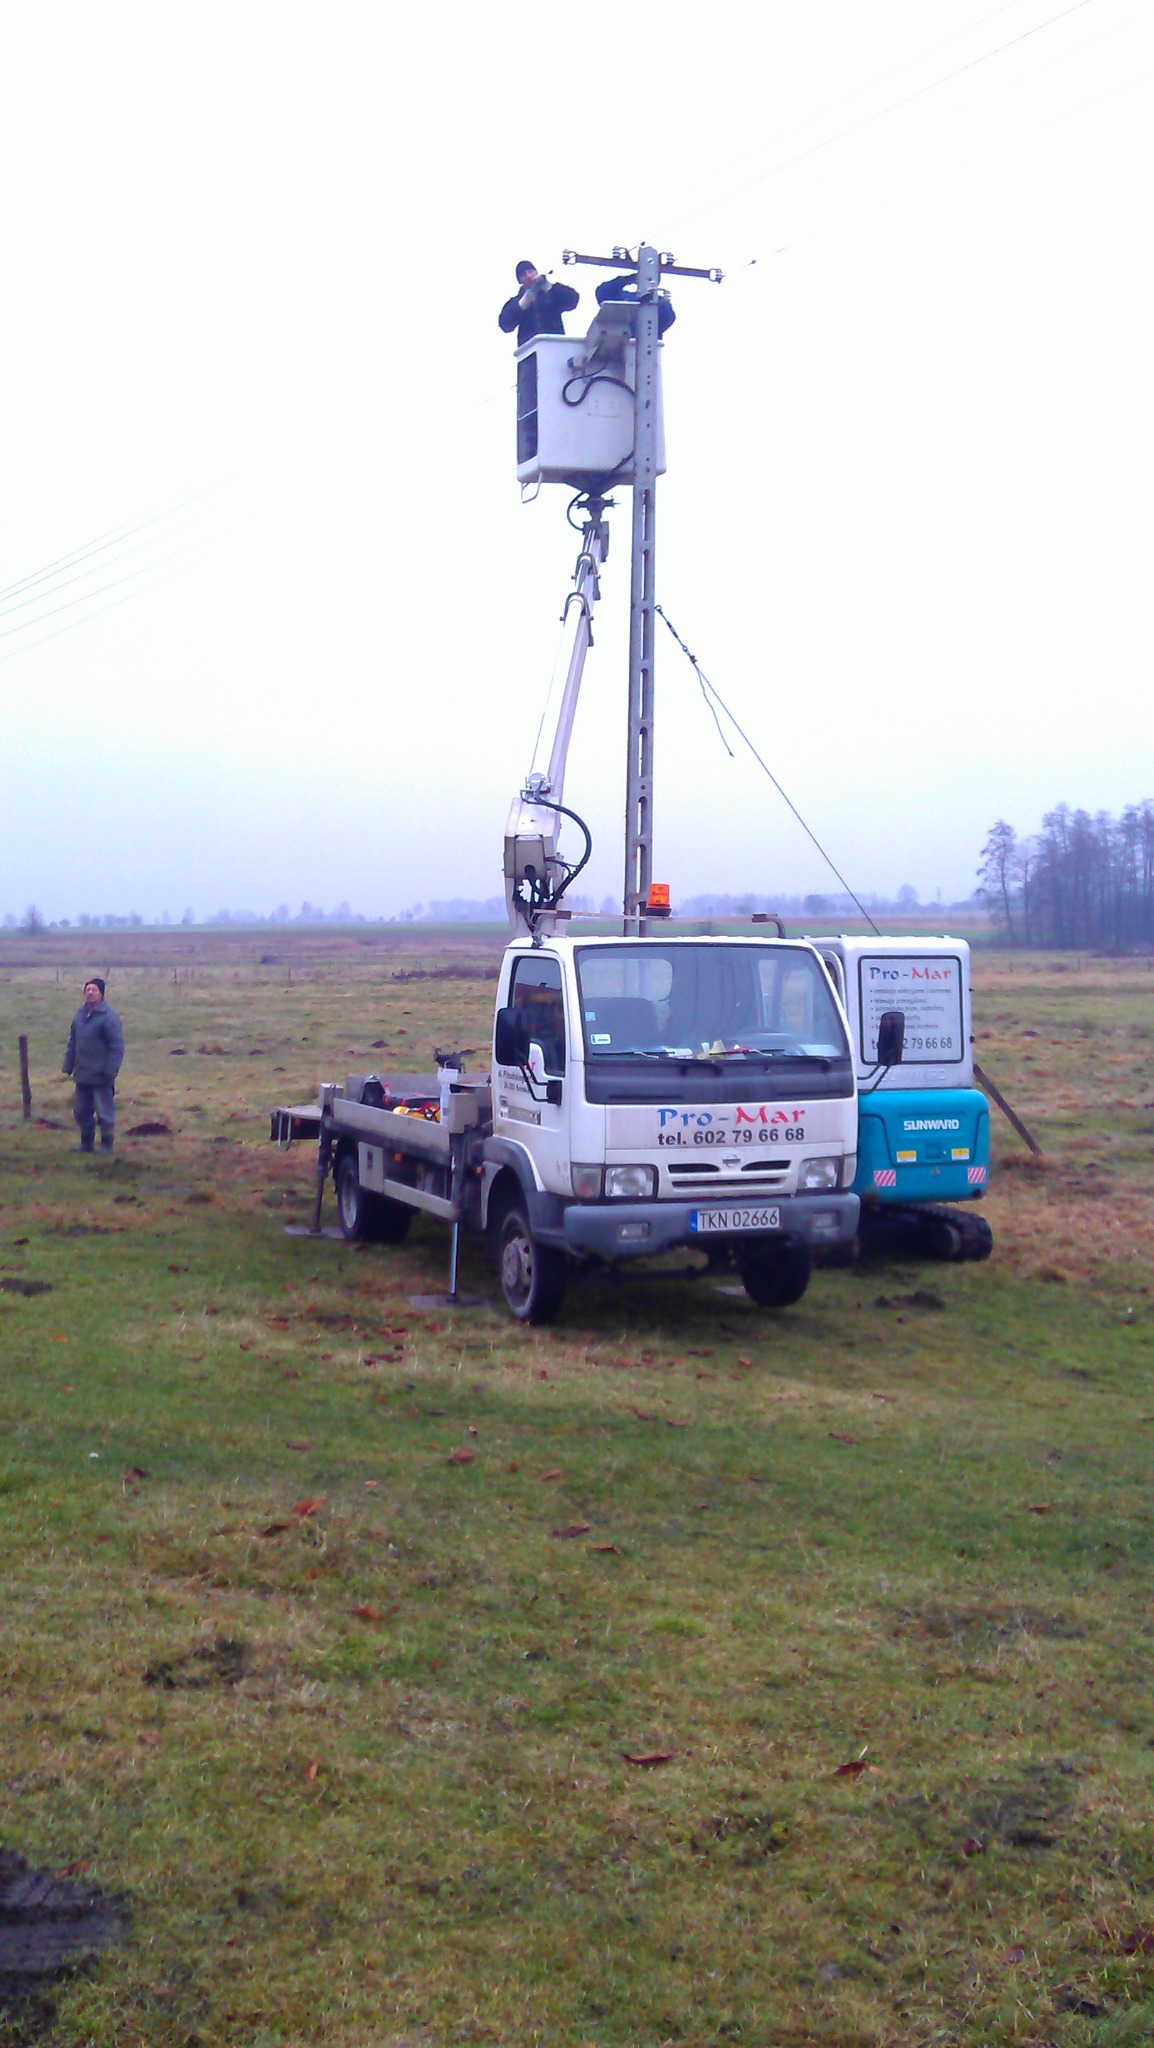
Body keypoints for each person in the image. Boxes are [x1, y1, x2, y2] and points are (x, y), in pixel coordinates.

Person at [62, 977, 124, 1153]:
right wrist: (68, 1064)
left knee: (104, 1113)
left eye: (94, 989)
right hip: (82, 1074)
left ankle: (106, 1145)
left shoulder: (109, 1017)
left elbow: (116, 1046)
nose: (90, 992)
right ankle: (86, 1144)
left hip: (101, 1075)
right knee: (81, 1112)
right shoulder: (80, 1015)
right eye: (87, 989)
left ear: (101, 993)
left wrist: (111, 1070)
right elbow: (73, 1041)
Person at [498, 260, 579, 348]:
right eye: (523, 275)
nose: (528, 276)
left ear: (536, 272)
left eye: (530, 272)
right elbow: (505, 325)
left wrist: (549, 287)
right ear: (520, 280)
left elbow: (573, 301)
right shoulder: (516, 301)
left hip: (556, 347)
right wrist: (523, 303)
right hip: (530, 353)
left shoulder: (552, 293)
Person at [595, 272, 676, 336]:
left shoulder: (658, 305)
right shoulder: (622, 297)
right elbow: (603, 291)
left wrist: (662, 301)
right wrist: (628, 279)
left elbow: (667, 319)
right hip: (619, 343)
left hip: (647, 348)